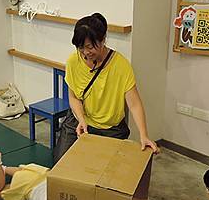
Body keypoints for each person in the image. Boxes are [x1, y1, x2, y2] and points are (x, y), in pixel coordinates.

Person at [53, 13, 159, 163]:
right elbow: (74, 97)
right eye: (81, 47)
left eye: (89, 47)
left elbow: (134, 104)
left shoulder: (121, 65)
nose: (85, 53)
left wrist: (144, 135)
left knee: (104, 172)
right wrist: (81, 119)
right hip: (80, 120)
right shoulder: (73, 61)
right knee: (61, 164)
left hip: (111, 129)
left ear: (103, 40)